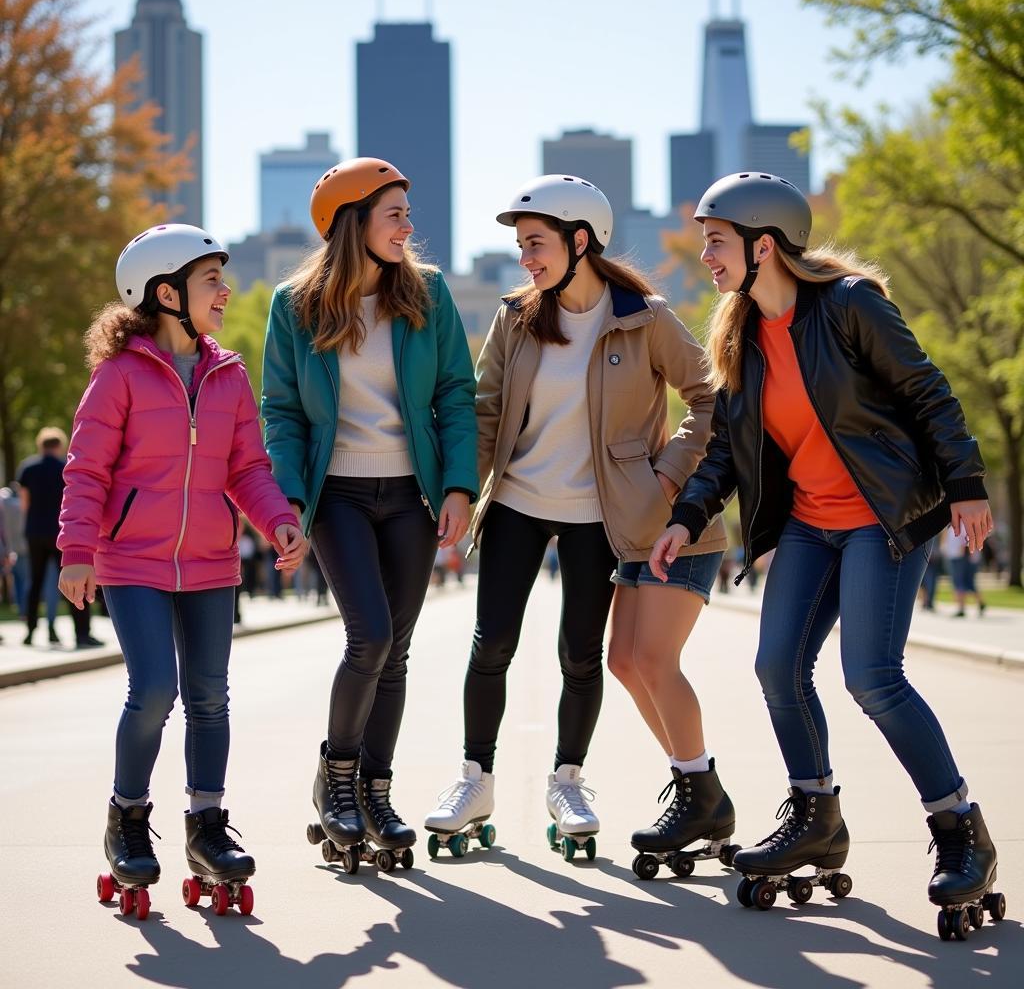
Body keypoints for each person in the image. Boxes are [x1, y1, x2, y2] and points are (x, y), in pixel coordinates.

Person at [651, 173, 1002, 935]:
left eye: (717, 240)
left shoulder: (849, 307)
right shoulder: (739, 334)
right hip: (811, 523)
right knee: (777, 665)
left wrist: (967, 484)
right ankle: (815, 812)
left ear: (763, 244)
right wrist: (686, 515)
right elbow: (727, 452)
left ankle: (959, 830)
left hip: (884, 514)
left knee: (872, 676)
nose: (706, 256)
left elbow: (929, 392)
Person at [424, 175, 727, 866]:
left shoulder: (644, 318)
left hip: (602, 513)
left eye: (536, 244)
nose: (525, 258)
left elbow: (710, 399)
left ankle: (568, 782)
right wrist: (461, 490)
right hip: (520, 503)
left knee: (581, 654)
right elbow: (486, 410)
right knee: (491, 643)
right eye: (522, 246)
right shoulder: (516, 316)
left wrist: (667, 473)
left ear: (579, 240)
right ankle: (474, 781)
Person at [58, 224, 305, 919]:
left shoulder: (227, 372)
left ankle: (207, 826)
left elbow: (246, 467)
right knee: (154, 690)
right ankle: (128, 818)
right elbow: (87, 470)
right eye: (211, 282)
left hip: (208, 563)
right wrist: (77, 552)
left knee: (210, 696)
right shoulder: (120, 376)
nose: (225, 292)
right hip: (130, 559)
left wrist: (277, 518)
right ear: (167, 293)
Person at [261, 157, 477, 873]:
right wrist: (289, 501)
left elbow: (453, 392)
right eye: (394, 213)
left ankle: (376, 791)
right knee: (371, 637)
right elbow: (284, 412)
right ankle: (339, 776)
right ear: (353, 222)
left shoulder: (428, 293)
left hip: (409, 495)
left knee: (399, 650)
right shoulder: (295, 305)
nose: (409, 226)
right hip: (340, 497)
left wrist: (458, 488)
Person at [18, 428, 102, 648]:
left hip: (34, 531)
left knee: (34, 582)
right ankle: (82, 634)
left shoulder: (27, 468)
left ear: (40, 445)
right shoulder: (65, 467)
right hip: (60, 532)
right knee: (73, 581)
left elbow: (24, 504)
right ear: (59, 446)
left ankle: (29, 631)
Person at [941, 526, 986, 618]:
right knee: (967, 582)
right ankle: (980, 603)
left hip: (958, 556)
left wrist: (961, 551)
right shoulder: (952, 523)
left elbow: (965, 538)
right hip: (955, 556)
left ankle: (961, 608)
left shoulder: (960, 522)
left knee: (958, 581)